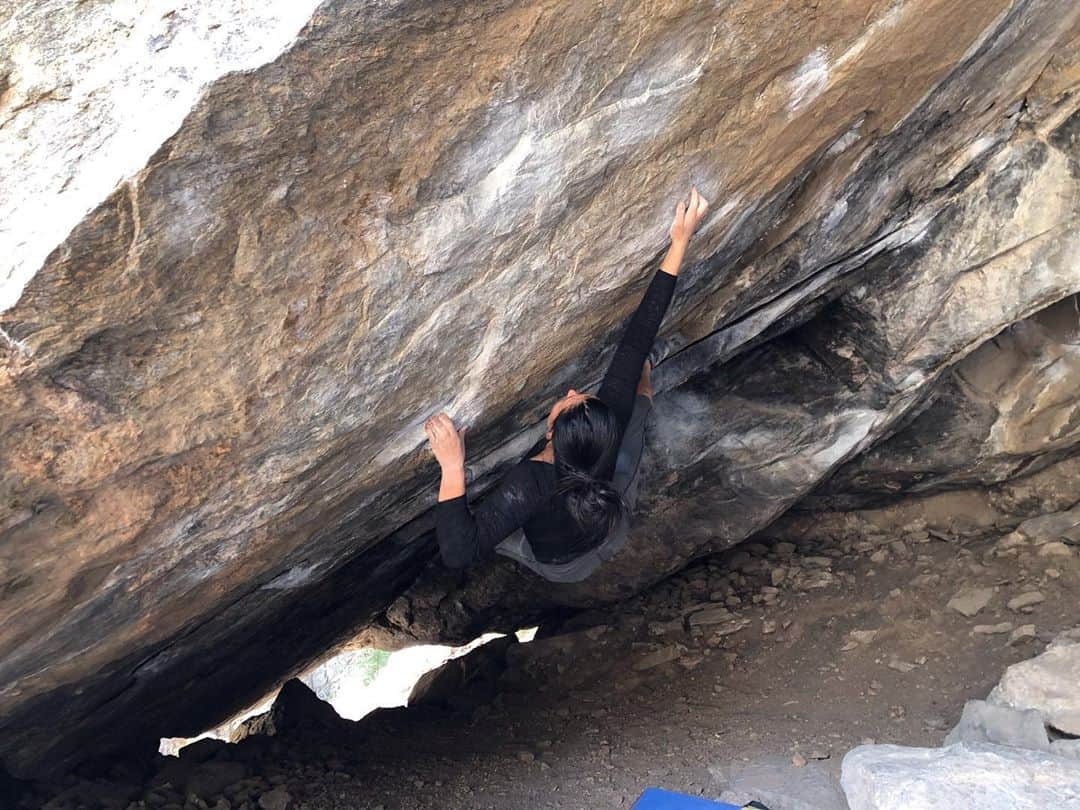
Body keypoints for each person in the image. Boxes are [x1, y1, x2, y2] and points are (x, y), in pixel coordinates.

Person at [424, 186, 709, 582]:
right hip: (609, 509)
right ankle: (648, 377)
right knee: (637, 399)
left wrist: (453, 466)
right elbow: (637, 337)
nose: (572, 392)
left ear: (552, 432)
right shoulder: (603, 429)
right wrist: (680, 242)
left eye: (569, 401)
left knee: (498, 534)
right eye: (580, 397)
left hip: (563, 564)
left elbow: (460, 551)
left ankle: (644, 382)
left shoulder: (530, 484)